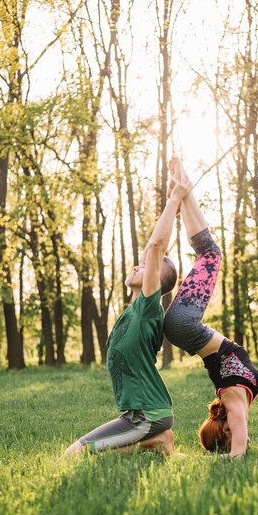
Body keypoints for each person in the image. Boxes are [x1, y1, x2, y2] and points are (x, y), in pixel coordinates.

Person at [64, 172, 191, 457]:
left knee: (73, 456)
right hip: (138, 413)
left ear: (156, 280)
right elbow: (152, 247)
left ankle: (156, 442)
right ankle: (156, 441)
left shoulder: (148, 309)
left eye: (145, 266)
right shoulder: (135, 311)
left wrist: (175, 199)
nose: (137, 265)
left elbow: (157, 247)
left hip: (147, 414)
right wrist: (171, 203)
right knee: (75, 453)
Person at [164, 158, 258, 458]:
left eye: (228, 433)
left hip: (185, 325)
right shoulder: (236, 398)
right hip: (182, 328)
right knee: (209, 253)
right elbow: (240, 427)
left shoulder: (234, 403)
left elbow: (241, 431)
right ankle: (184, 194)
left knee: (212, 255)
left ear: (226, 431)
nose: (236, 428)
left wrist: (235, 456)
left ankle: (183, 194)